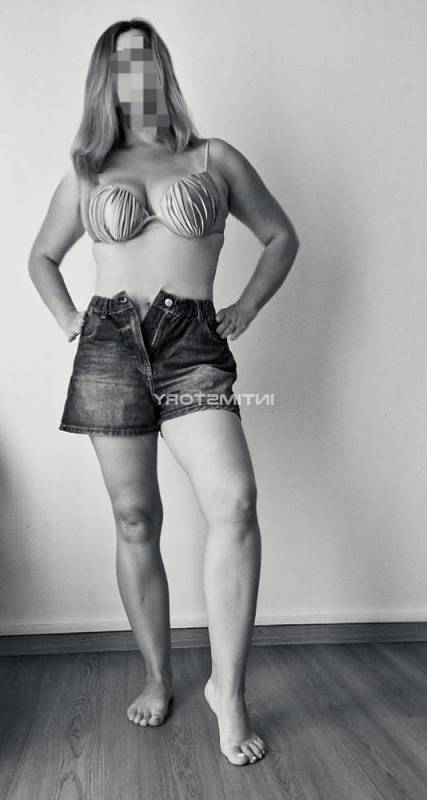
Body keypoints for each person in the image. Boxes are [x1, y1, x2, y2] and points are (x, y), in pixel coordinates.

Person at [28, 18, 300, 767]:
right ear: (105, 80)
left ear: (163, 70)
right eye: (121, 64)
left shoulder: (214, 158)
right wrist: (70, 322)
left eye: (146, 60)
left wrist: (245, 307)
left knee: (234, 502)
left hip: (192, 347)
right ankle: (157, 674)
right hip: (109, 347)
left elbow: (281, 236)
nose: (136, 75)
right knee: (134, 518)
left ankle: (227, 691)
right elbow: (42, 256)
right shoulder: (88, 170)